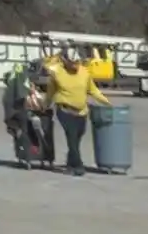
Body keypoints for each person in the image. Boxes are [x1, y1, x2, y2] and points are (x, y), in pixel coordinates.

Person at [40, 44, 110, 175]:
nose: (76, 65)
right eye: (73, 63)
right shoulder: (57, 73)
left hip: (82, 112)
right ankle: (78, 166)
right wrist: (45, 105)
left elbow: (93, 90)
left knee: (77, 138)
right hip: (64, 110)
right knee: (71, 138)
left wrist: (106, 102)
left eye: (77, 62)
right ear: (65, 61)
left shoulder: (84, 72)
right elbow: (50, 92)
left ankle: (70, 163)